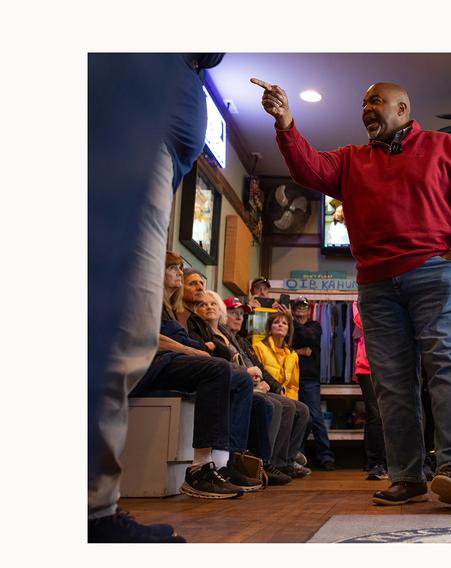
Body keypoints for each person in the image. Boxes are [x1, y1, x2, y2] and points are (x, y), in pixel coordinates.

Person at [252, 77, 451, 507]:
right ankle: (407, 476)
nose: (367, 108)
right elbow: (308, 168)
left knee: (446, 368)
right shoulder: (351, 160)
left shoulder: (447, 148)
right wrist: (286, 122)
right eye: (364, 103)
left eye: (376, 101)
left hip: (436, 273)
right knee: (392, 384)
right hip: (377, 284)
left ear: (402, 109)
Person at [88, 53, 223, 542]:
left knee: (125, 329)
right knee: (114, 325)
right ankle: (91, 512)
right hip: (124, 130)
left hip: (152, 153)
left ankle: (95, 507)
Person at [131, 251, 259, 498]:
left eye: (180, 268)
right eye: (173, 268)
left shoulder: (170, 309)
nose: (179, 272)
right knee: (216, 368)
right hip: (150, 366)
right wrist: (192, 351)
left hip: (171, 361)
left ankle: (223, 463)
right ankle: (199, 468)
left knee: (236, 376)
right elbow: (148, 338)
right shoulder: (146, 298)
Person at [197, 291, 309, 483]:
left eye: (242, 313)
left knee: (301, 409)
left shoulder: (241, 340)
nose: (239, 317)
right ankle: (263, 462)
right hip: (239, 384)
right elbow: (242, 366)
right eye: (234, 312)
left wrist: (275, 386)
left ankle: (284, 460)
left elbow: (262, 369)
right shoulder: (239, 340)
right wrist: (259, 380)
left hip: (254, 384)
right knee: (279, 406)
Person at [291, 298, 336, 470]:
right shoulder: (289, 325)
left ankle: (325, 457)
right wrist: (299, 351)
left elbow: (309, 337)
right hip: (290, 378)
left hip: (309, 378)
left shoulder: (315, 325)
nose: (301, 309)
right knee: (297, 417)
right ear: (293, 310)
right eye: (298, 307)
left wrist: (294, 324)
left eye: (304, 306)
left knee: (316, 417)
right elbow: (286, 347)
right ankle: (299, 457)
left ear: (309, 310)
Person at [353, 301, 388, 480]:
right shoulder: (360, 300)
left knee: (396, 413)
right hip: (367, 365)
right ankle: (377, 463)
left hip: (393, 364)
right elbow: (362, 321)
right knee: (375, 413)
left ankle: (395, 461)